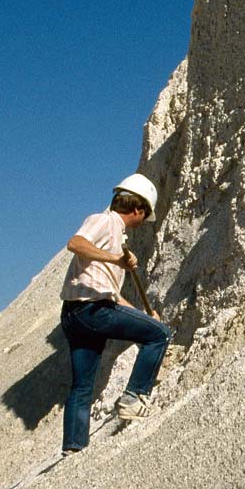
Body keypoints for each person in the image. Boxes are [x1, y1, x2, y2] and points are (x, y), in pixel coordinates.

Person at [59, 174, 172, 456]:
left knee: (83, 385)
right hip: (91, 310)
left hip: (79, 314)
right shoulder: (105, 220)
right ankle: (134, 398)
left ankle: (73, 448)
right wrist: (117, 260)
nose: (141, 224)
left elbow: (112, 294)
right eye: (143, 218)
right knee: (160, 336)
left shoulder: (116, 236)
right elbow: (75, 243)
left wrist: (145, 317)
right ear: (137, 210)